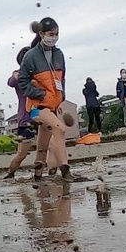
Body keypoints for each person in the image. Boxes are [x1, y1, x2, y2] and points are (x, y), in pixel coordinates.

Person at [18, 17, 73, 181]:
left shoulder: (59, 54)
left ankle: (37, 174)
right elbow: (22, 81)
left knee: (42, 146)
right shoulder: (30, 56)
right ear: (41, 34)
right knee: (60, 129)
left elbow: (62, 79)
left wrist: (62, 97)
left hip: (54, 105)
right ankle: (66, 170)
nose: (54, 37)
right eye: (51, 34)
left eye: (57, 34)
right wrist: (40, 94)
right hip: (37, 107)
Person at [4, 47, 53, 179]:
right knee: (22, 153)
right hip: (26, 119)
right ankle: (9, 175)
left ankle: (41, 175)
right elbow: (11, 81)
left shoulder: (43, 75)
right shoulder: (18, 75)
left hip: (44, 116)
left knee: (47, 148)